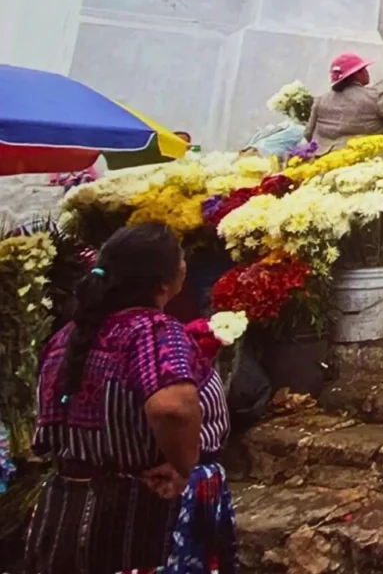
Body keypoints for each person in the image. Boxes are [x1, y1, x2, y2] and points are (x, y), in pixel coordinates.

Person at [25, 224, 235, 574]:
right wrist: (184, 467)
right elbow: (172, 408)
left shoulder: (67, 335)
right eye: (181, 257)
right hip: (142, 522)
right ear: (163, 281)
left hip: (68, 514)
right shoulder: (151, 331)